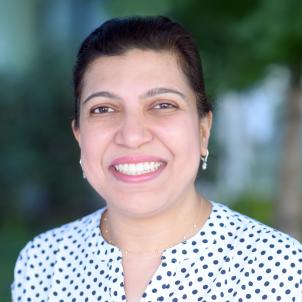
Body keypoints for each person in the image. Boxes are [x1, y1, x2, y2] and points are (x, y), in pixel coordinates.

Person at [12, 16, 301, 302]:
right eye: (103, 109)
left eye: (163, 105)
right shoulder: (43, 263)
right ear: (79, 135)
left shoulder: (279, 269)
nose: (132, 135)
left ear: (203, 130)